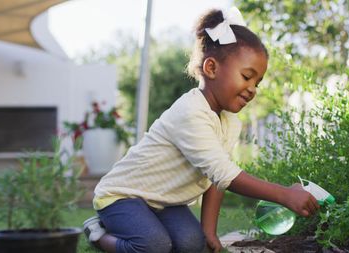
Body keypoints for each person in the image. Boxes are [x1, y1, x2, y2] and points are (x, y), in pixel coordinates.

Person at [83, 6, 320, 253]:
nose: (252, 89)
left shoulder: (229, 121)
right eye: (247, 76)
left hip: (163, 202)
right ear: (211, 68)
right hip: (123, 196)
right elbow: (224, 174)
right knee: (153, 246)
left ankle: (152, 230)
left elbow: (216, 179)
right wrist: (284, 195)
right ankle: (98, 235)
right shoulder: (190, 112)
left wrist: (208, 231)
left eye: (257, 82)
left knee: (191, 245)